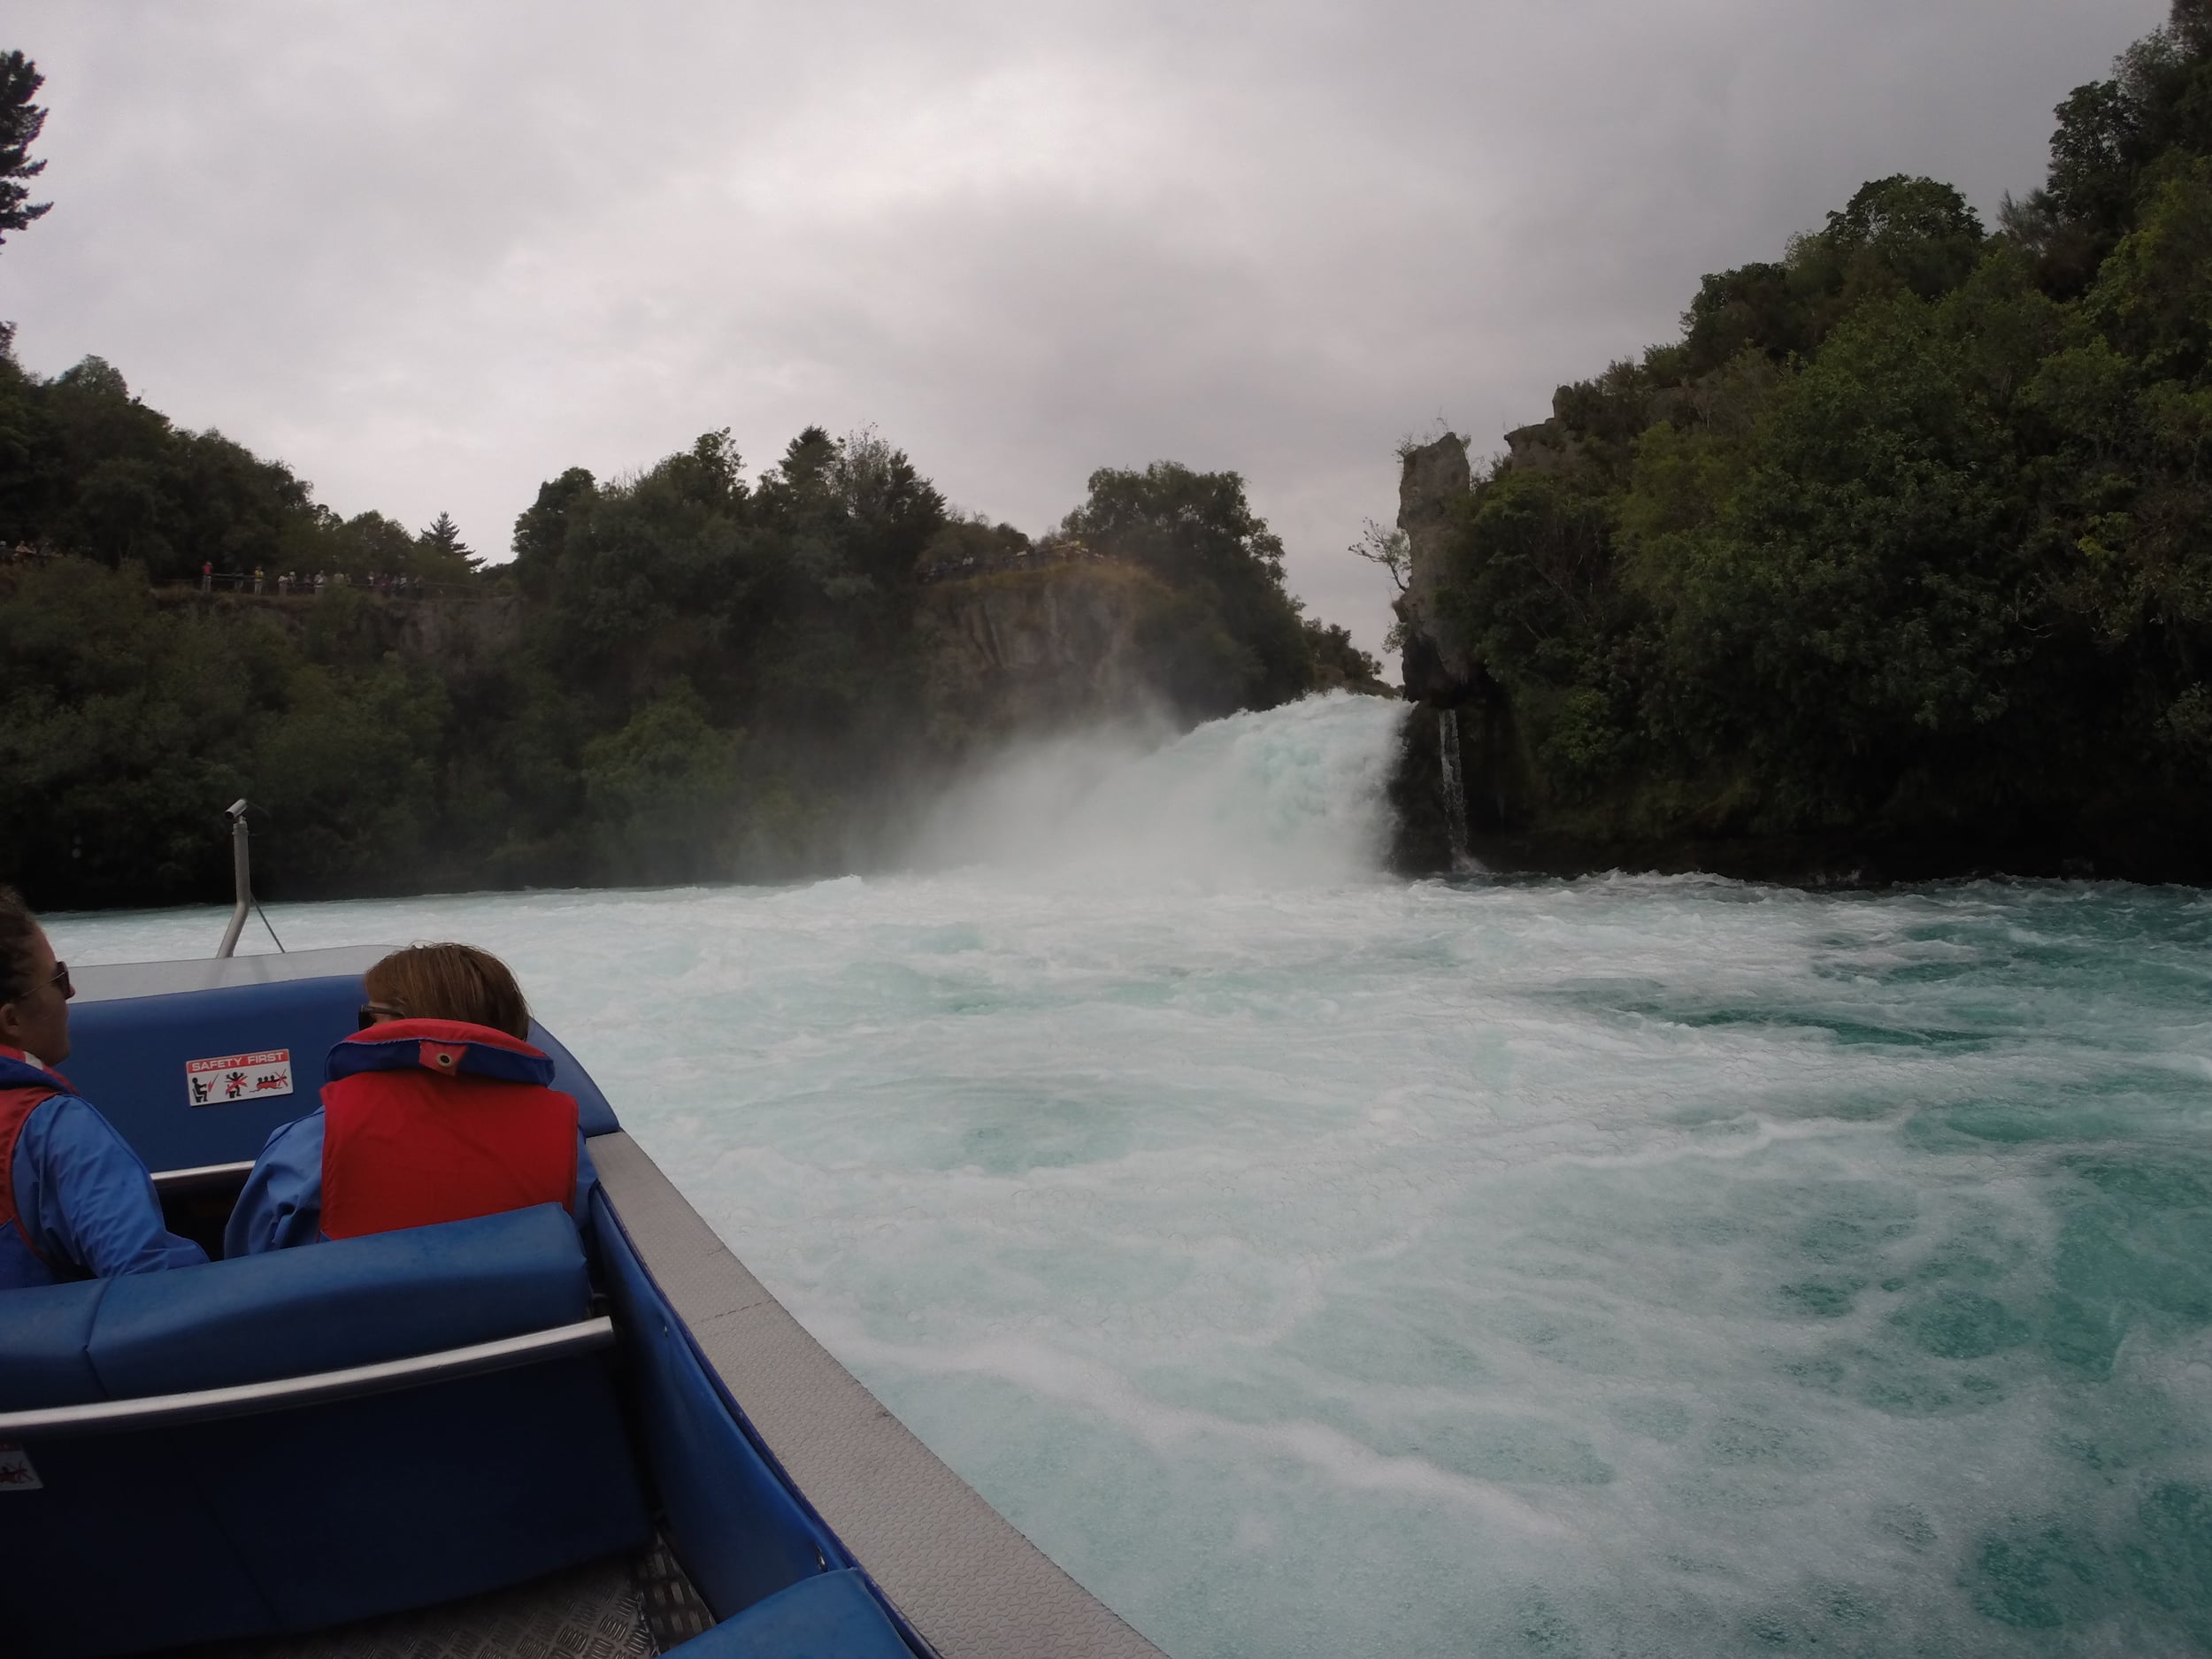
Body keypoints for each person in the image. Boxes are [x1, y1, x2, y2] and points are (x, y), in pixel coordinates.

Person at [227, 943, 595, 1255]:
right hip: (531, 1334)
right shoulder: (564, 1137)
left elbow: (249, 1255)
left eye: (369, 1014)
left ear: (398, 1021)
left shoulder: (314, 1141)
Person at [0, 888, 209, 1288]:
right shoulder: (55, 1132)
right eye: (58, 978)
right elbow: (156, 1288)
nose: (71, 992)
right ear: (11, 1020)